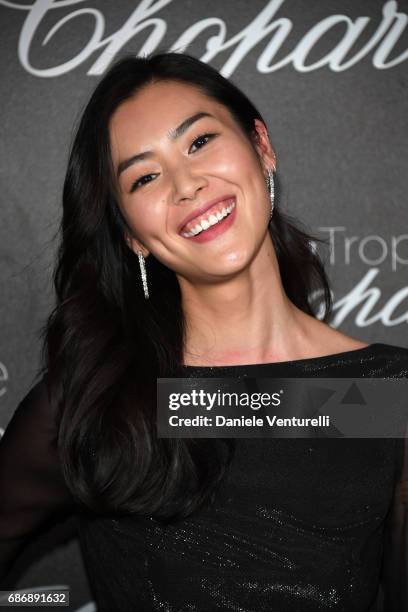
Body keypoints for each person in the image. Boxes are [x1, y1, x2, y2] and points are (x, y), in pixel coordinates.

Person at [0, 51, 407, 611]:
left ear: (261, 146)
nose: (186, 184)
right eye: (144, 176)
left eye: (198, 142)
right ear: (131, 236)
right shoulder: (104, 398)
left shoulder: (383, 394)